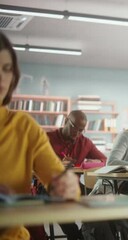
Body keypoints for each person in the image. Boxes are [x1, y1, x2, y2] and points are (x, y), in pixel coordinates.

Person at [0, 32, 80, 239]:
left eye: (7, 69)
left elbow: (55, 178)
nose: (1, 76)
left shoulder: (24, 127)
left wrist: (67, 187)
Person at [45, 110, 107, 239]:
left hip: (74, 186)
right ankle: (76, 236)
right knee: (59, 201)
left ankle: (88, 233)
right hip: (48, 186)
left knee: (97, 198)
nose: (77, 134)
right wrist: (57, 163)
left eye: (81, 130)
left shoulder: (85, 142)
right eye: (75, 128)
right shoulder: (47, 138)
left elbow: (105, 161)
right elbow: (34, 162)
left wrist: (92, 162)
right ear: (66, 121)